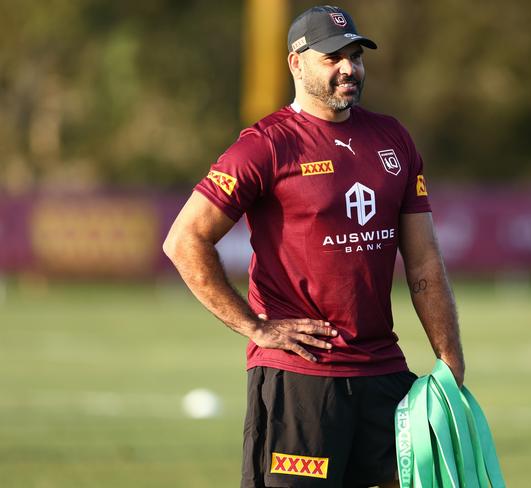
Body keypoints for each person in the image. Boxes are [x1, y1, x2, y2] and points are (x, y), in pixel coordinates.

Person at [163, 5, 464, 488]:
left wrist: (450, 364)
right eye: (332, 57)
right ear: (295, 63)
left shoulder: (393, 139)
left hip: (383, 371)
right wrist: (254, 326)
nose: (349, 68)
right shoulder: (265, 145)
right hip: (301, 379)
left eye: (355, 56)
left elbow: (425, 262)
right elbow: (184, 240)